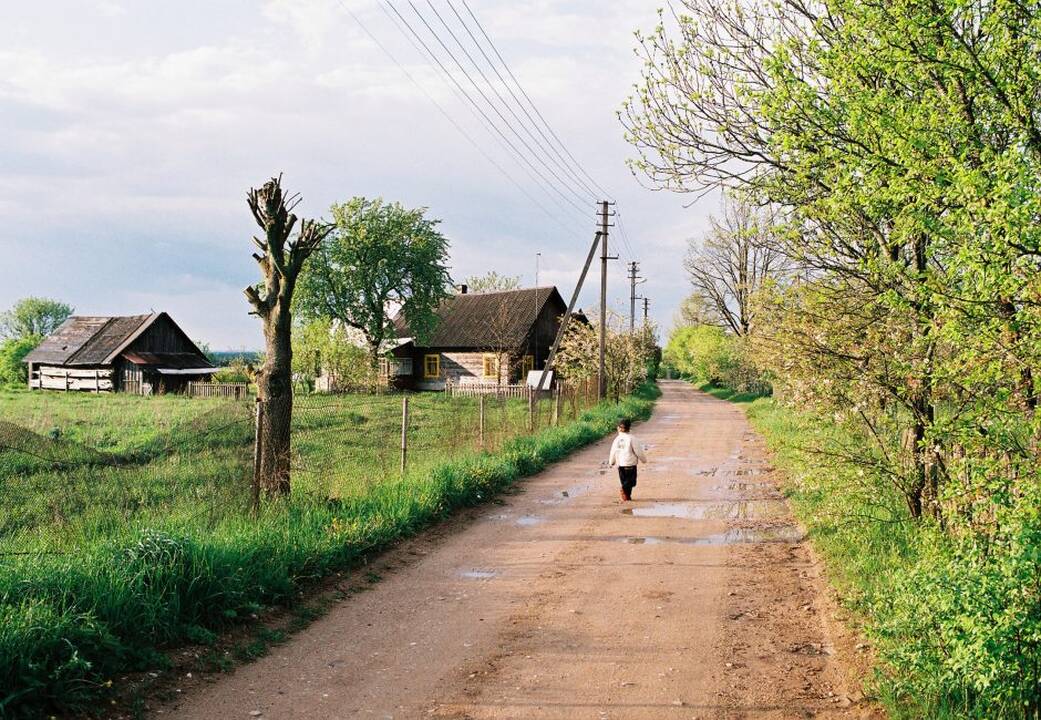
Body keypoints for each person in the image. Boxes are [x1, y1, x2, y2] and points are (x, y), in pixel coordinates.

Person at [608, 417, 646, 502]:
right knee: (631, 482)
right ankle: (623, 489)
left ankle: (627, 497)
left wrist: (611, 462)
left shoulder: (616, 440)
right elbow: (638, 451)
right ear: (629, 428)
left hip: (620, 465)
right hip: (631, 465)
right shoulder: (632, 438)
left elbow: (613, 451)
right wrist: (643, 460)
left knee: (625, 481)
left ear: (618, 428)